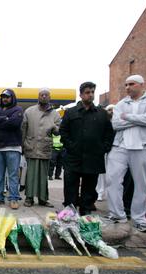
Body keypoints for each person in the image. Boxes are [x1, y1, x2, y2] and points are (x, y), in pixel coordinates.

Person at [105, 75, 146, 233]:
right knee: (112, 179)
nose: (127, 87)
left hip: (143, 147)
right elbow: (116, 124)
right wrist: (139, 120)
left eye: (131, 84)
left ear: (141, 85)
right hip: (120, 146)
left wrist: (128, 117)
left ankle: (140, 219)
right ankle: (117, 214)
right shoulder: (122, 103)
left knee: (141, 185)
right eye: (126, 85)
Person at [60, 82, 114, 215]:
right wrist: (71, 146)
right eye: (87, 92)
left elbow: (109, 133)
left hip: (93, 157)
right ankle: (69, 212)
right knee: (70, 185)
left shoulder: (102, 114)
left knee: (89, 187)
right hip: (73, 157)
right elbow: (63, 131)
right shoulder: (71, 112)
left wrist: (103, 148)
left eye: (92, 92)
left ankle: (86, 211)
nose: (90, 95)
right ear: (81, 95)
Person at [22, 88, 61, 207]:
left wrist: (55, 127)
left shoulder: (55, 113)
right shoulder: (29, 111)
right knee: (31, 175)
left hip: (45, 147)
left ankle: (43, 199)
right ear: (38, 97)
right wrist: (23, 145)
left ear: (50, 98)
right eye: (41, 95)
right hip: (31, 146)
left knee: (43, 176)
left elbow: (58, 132)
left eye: (46, 95)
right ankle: (29, 198)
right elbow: (23, 129)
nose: (44, 97)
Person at [0, 89, 23, 209]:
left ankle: (13, 198)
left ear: (12, 98)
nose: (5, 99)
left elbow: (14, 123)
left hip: (13, 147)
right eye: (3, 97)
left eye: (7, 97)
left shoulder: (18, 109)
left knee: (12, 175)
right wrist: (5, 119)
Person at [96, 104, 115, 201]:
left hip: (115, 151)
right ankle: (100, 192)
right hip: (103, 151)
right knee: (101, 174)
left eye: (113, 110)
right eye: (109, 110)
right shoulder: (102, 121)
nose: (111, 111)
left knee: (111, 173)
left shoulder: (118, 122)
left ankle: (109, 193)